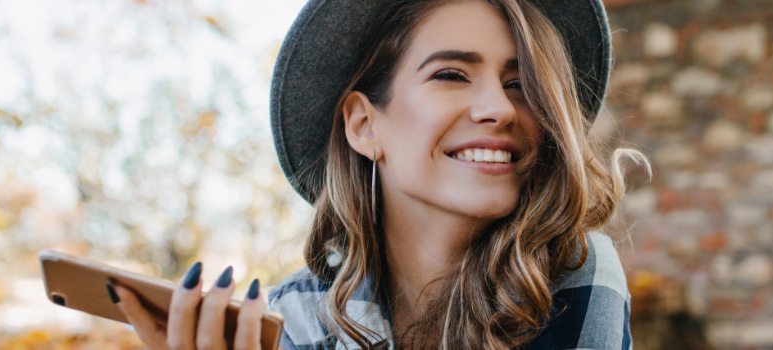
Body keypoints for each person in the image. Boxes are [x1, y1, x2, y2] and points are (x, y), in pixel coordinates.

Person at [107, 0, 646, 348]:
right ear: (365, 125)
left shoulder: (575, 272)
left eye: (519, 82)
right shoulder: (294, 316)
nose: (500, 109)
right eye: (452, 74)